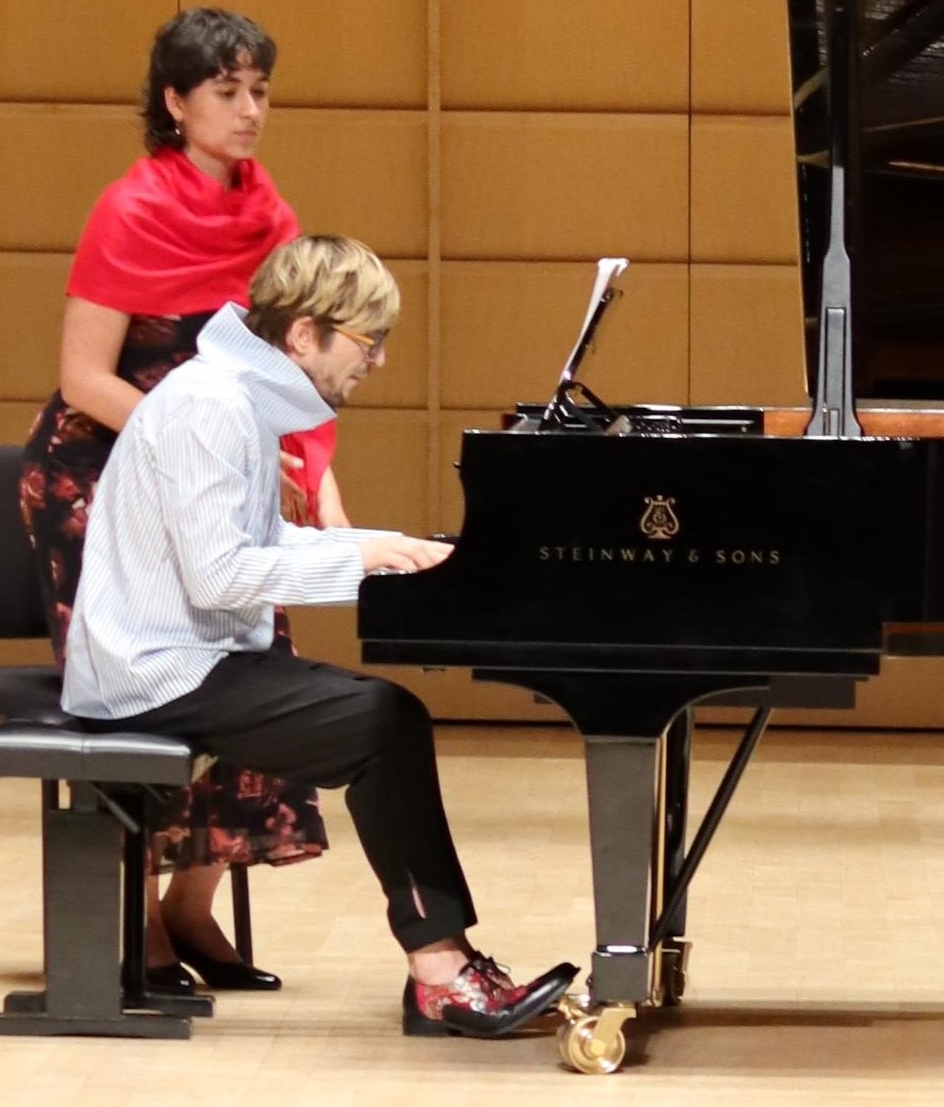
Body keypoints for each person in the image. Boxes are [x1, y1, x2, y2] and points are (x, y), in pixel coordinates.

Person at [63, 234, 567, 1040]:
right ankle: (440, 971)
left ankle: (442, 964)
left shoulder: (232, 398)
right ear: (303, 335)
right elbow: (220, 576)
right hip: (154, 670)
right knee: (384, 722)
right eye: (368, 341)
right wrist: (360, 559)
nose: (377, 361)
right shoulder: (210, 407)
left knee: (386, 719)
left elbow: (253, 546)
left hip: (190, 654)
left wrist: (386, 549)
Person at [18, 6, 336, 991]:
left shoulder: (267, 212)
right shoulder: (128, 207)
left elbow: (283, 381)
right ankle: (130, 928)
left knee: (273, 681)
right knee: (145, 689)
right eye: (227, 91)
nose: (249, 111)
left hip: (208, 471)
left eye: (261, 90)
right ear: (175, 101)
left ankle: (187, 907)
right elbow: (85, 379)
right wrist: (197, 446)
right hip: (101, 474)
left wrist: (317, 482)